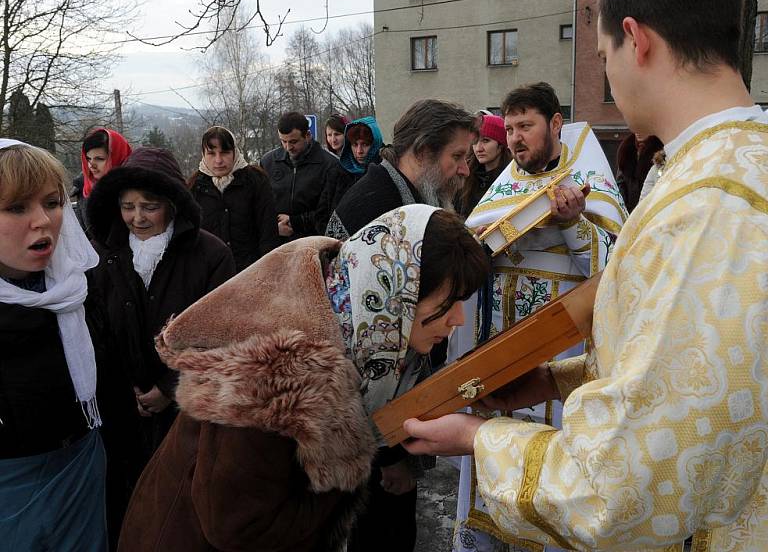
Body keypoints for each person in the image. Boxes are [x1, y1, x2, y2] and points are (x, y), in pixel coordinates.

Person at [402, 0, 768, 550]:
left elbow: (623, 487)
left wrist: (475, 439)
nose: (606, 73)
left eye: (602, 55)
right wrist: (558, 380)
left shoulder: (715, 206)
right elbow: (699, 374)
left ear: (635, 39)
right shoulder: (742, 168)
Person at [116, 205, 490, 552]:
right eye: (446, 303)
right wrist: (345, 471)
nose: (458, 318)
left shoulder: (360, 338)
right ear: (397, 295)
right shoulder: (277, 376)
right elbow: (235, 526)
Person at [449, 83, 627, 552]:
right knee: (493, 474)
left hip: (558, 354)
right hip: (500, 350)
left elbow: (618, 276)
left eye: (525, 126)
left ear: (554, 124)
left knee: (549, 480)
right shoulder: (503, 186)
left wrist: (572, 224)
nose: (514, 139)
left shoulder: (592, 181)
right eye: (508, 129)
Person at [88, 147, 235, 479]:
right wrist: (126, 388)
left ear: (172, 205)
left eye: (149, 207)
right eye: (128, 207)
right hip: (122, 412)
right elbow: (96, 331)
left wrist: (170, 389)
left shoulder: (211, 255)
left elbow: (219, 332)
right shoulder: (100, 256)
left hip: (191, 411)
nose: (137, 218)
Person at [0, 139, 107, 550]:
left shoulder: (78, 285)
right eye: (16, 208)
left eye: (52, 202)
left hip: (81, 470)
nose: (43, 221)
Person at [326, 99, 476, 240]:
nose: (465, 170)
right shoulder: (378, 209)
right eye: (457, 156)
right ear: (423, 152)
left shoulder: (406, 190)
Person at [188, 125, 280, 272]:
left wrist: (267, 271)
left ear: (234, 152)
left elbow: (268, 232)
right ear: (203, 154)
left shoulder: (255, 180)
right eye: (211, 153)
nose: (218, 160)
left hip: (250, 272)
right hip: (211, 275)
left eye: (224, 152)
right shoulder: (194, 187)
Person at [259, 112, 340, 241]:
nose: (288, 147)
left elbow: (330, 212)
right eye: (283, 141)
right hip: (275, 242)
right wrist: (274, 226)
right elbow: (260, 206)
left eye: (293, 142)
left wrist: (296, 222)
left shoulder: (330, 165)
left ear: (307, 135)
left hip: (313, 242)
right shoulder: (268, 162)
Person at [455, 113, 512, 217]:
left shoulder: (512, 179)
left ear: (500, 145)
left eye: (486, 141)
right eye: (475, 142)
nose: (478, 148)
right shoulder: (464, 178)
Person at [76, 127, 132, 230]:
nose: (91, 165)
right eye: (88, 159)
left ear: (118, 156)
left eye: (99, 159)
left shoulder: (133, 190)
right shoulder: (83, 189)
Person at [615, 131, 663, 212]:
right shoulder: (626, 157)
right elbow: (620, 187)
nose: (639, 135)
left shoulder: (660, 159)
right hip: (629, 213)